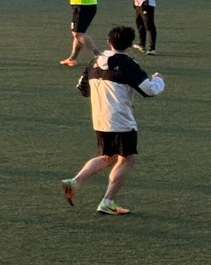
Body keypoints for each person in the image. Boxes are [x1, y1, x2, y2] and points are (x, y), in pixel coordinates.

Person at [60, 25, 165, 216]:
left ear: (109, 42)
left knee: (108, 157)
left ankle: (75, 181)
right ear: (130, 45)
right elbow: (149, 90)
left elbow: (83, 89)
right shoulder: (128, 64)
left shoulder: (94, 62)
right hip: (121, 120)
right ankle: (107, 202)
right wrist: (159, 80)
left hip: (99, 119)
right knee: (127, 158)